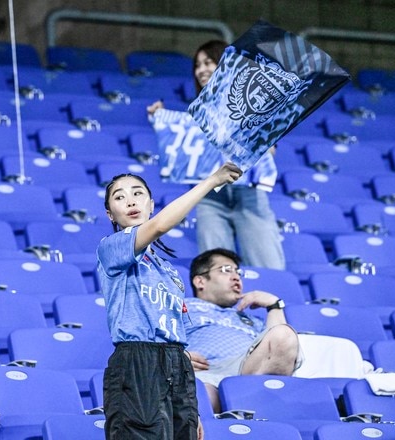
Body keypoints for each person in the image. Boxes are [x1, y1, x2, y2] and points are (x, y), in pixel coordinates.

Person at [98, 162, 243, 439]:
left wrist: (188, 402)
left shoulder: (169, 272)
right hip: (136, 362)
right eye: (119, 197)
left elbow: (174, 330)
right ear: (110, 214)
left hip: (177, 367)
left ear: (150, 204)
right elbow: (161, 225)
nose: (130, 200)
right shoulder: (111, 247)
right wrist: (211, 181)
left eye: (138, 193)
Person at [148, 40, 285, 270]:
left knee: (267, 265)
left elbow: (269, 151)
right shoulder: (196, 115)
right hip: (211, 197)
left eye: (208, 62)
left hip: (249, 196)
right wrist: (161, 118)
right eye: (197, 65)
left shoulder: (254, 104)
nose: (201, 70)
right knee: (215, 269)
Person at [184, 248, 302, 413]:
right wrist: (175, 357)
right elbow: (151, 338)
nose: (236, 277)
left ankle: (246, 410)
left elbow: (283, 351)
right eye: (225, 270)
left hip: (248, 374)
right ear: (200, 281)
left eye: (238, 272)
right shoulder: (181, 306)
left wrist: (273, 306)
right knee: (201, 397)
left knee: (284, 335)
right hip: (206, 372)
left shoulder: (252, 320)